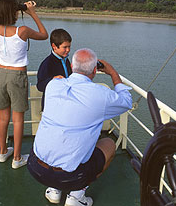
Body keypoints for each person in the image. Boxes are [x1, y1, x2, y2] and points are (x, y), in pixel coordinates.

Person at [27, 48, 132, 206]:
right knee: (109, 144)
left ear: (71, 67)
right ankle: (76, 196)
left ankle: (54, 191)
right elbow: (126, 101)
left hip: (35, 168)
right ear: (95, 70)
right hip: (70, 176)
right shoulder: (100, 94)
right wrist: (113, 73)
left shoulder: (53, 86)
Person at [0, 0, 48, 169]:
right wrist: (32, 13)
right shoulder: (22, 31)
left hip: (0, 74)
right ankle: (16, 158)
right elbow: (44, 35)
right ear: (14, 12)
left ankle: (2, 152)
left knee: (3, 118)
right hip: (17, 76)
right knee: (18, 119)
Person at [37, 28, 72, 110]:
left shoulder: (66, 60)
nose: (68, 50)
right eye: (65, 47)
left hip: (65, 103)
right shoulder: (47, 63)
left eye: (69, 46)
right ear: (54, 46)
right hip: (52, 106)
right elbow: (40, 86)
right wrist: (52, 79)